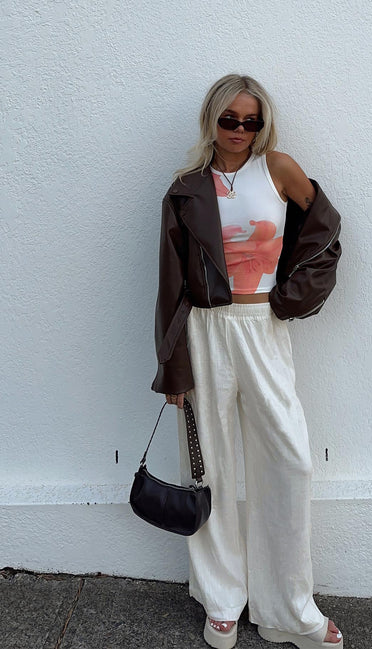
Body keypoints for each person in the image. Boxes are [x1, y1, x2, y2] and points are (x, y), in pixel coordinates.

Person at [151, 74, 343, 649]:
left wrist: (290, 298)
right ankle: (221, 600)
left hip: (263, 326)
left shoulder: (277, 169)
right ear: (211, 119)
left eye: (251, 120)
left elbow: (326, 235)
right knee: (208, 464)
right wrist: (172, 366)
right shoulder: (186, 188)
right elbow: (169, 286)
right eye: (229, 119)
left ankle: (288, 608)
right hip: (204, 329)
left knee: (289, 460)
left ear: (263, 124)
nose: (239, 129)